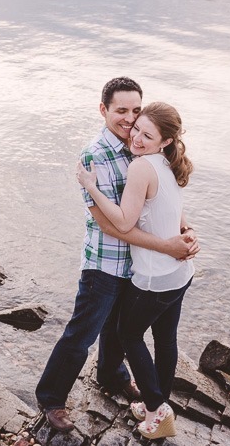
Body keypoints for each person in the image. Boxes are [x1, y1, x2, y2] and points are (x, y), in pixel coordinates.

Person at [35, 78, 198, 433]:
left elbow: (161, 200)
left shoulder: (140, 146)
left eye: (135, 111)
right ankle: (51, 399)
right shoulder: (95, 155)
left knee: (118, 331)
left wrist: (185, 230)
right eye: (121, 111)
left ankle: (112, 376)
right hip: (105, 262)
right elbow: (110, 225)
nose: (129, 119)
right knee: (83, 333)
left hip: (138, 265)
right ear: (104, 109)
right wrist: (168, 247)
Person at [76, 101, 195, 439]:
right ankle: (155, 404)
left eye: (147, 135)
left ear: (166, 141)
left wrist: (91, 187)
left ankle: (157, 410)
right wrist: (189, 232)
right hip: (180, 272)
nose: (137, 139)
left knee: (128, 335)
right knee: (165, 337)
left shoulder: (141, 167)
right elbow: (172, 212)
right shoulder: (168, 164)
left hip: (156, 276)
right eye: (137, 130)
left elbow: (125, 221)